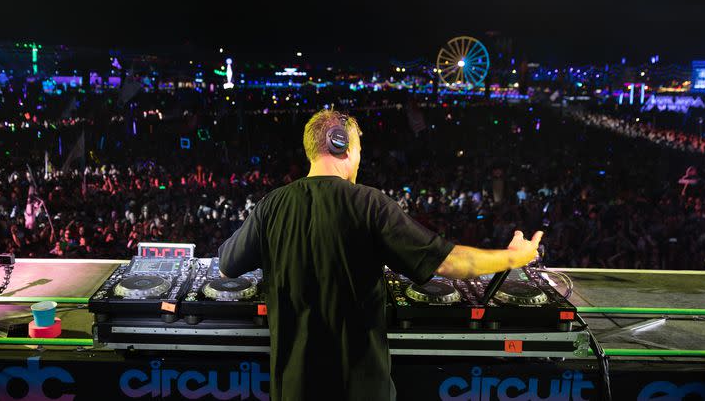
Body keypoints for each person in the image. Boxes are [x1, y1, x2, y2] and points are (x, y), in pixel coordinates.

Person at [219, 109, 542, 400]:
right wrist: (514, 257)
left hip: (293, 388)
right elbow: (449, 262)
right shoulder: (370, 205)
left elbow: (226, 266)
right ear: (339, 143)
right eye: (359, 148)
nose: (360, 158)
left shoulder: (271, 206)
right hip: (360, 389)